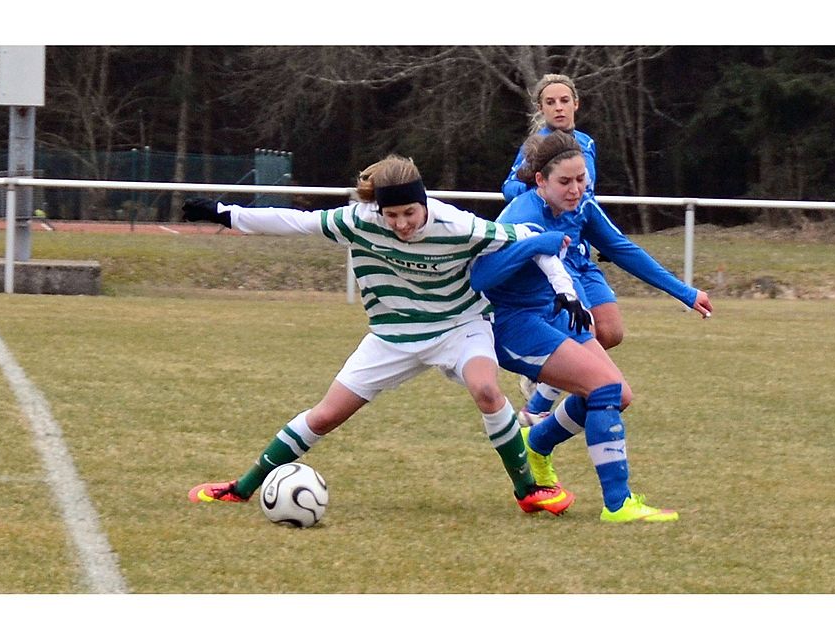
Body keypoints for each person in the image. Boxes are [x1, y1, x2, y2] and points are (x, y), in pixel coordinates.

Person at [181, 154, 592, 516]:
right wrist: (223, 213)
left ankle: (528, 491)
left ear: (424, 201)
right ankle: (242, 488)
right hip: (393, 334)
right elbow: (295, 221)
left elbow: (537, 241)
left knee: (486, 390)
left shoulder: (457, 224)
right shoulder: (360, 220)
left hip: (459, 324)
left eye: (410, 213)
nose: (401, 224)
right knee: (325, 415)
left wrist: (564, 290)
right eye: (391, 215)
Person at [473, 130, 713, 523]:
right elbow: (481, 277)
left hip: (556, 314)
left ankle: (537, 441)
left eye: (581, 179)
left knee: (619, 395)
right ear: (540, 181)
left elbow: (621, 248)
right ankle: (618, 504)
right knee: (604, 388)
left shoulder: (581, 205)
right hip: (515, 325)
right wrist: (533, 245)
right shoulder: (520, 216)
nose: (576, 189)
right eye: (565, 182)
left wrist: (685, 293)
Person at [502, 74, 624, 425]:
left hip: (582, 252)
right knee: (583, 330)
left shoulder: (587, 143)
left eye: (564, 100)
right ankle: (542, 401)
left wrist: (597, 232)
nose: (558, 107)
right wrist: (534, 195)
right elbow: (511, 186)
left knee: (611, 332)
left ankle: (544, 386)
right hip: (555, 253)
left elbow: (588, 198)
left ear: (576, 103)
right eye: (550, 102)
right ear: (541, 109)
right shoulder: (539, 146)